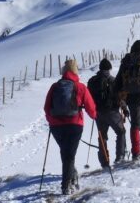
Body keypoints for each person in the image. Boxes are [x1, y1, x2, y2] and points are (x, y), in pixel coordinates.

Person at [44, 59, 98, 195]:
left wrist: (52, 121)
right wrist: (94, 115)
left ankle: (72, 177)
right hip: (75, 124)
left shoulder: (54, 87)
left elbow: (46, 107)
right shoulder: (80, 87)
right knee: (69, 155)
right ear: (75, 70)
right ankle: (66, 186)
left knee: (66, 152)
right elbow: (91, 107)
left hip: (56, 126)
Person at [87, 57, 128, 167]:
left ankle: (104, 162)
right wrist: (125, 109)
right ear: (109, 69)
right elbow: (120, 98)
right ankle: (120, 157)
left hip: (98, 113)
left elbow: (88, 98)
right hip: (112, 112)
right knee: (121, 132)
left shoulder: (92, 81)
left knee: (102, 136)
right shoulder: (113, 80)